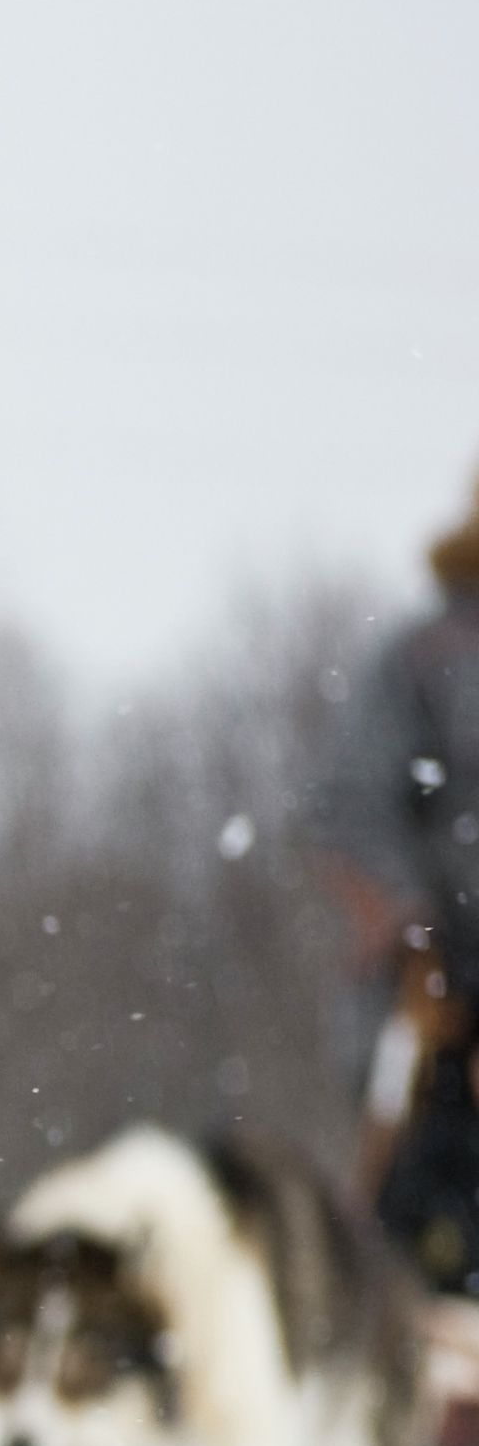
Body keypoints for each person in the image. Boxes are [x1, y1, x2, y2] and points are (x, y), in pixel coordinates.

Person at [313, 470, 479, 1285]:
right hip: (439, 996)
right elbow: (351, 806)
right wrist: (413, 927)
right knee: (415, 1228)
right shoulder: (425, 658)